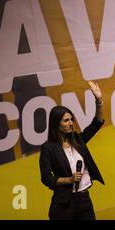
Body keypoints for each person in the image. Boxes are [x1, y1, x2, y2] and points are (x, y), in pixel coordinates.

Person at [39, 81, 105, 220]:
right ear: (56, 124)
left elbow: (97, 123)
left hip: (84, 200)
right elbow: (46, 178)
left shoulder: (78, 139)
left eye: (71, 119)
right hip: (64, 204)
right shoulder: (48, 148)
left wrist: (98, 101)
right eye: (66, 120)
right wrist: (69, 179)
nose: (70, 123)